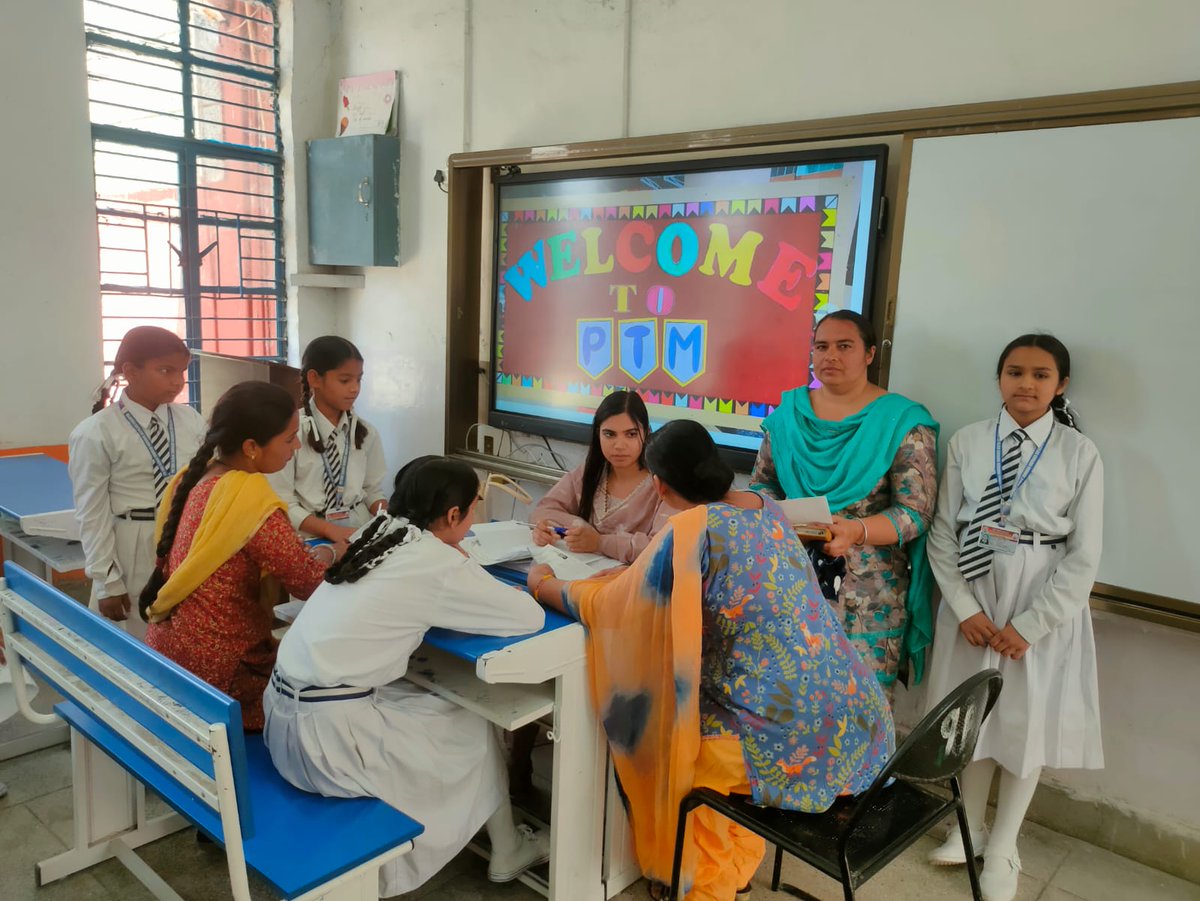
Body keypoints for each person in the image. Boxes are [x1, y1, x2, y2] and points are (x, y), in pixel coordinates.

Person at [527, 420, 894, 901]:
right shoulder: (769, 509)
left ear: (659, 485)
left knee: (679, 750)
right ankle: (735, 866)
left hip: (798, 741)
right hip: (863, 720)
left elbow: (618, 607)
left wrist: (545, 584)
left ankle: (705, 884)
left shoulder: (692, 528)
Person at [264, 456, 549, 897]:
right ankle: (507, 847)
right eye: (474, 508)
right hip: (330, 745)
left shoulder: (376, 531)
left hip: (286, 718)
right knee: (474, 721)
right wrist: (498, 574)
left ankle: (503, 840)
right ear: (454, 516)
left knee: (445, 706)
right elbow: (529, 616)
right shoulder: (435, 561)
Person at [923, 334, 1103, 901]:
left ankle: (1003, 846)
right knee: (972, 717)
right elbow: (944, 530)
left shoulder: (1080, 453)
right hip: (976, 592)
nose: (1026, 384)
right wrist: (965, 608)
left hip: (1039, 599)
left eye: (1040, 375)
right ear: (999, 378)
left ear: (1061, 385)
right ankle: (967, 826)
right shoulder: (971, 442)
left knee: (1025, 722)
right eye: (1014, 372)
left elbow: (1085, 555)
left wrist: (1031, 624)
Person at [750, 310, 939, 693]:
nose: (830, 356)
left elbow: (916, 513)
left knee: (858, 709)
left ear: (870, 354)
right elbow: (763, 484)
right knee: (788, 698)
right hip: (791, 577)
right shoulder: (788, 416)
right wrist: (776, 515)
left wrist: (857, 530)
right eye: (821, 346)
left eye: (844, 346)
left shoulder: (902, 421)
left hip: (869, 595)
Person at [141, 381, 340, 731]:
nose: (295, 447)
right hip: (222, 672)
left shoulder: (194, 478)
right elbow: (309, 582)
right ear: (251, 447)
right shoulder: (248, 499)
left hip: (172, 652)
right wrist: (331, 551)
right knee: (331, 691)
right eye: (289, 438)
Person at [68, 326, 207, 640]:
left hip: (185, 535)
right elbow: (93, 514)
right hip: (132, 542)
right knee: (134, 641)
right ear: (130, 371)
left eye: (182, 372)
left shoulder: (191, 420)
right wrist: (107, 582)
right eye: (165, 370)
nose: (177, 381)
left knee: (184, 635)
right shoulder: (96, 432)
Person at [268, 335, 388, 543]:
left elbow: (371, 489)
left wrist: (385, 518)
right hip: (307, 535)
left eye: (359, 379)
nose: (355, 388)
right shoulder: (291, 434)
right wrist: (329, 530)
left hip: (358, 531)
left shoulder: (366, 432)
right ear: (314, 379)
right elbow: (282, 502)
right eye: (345, 380)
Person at [531, 389, 668, 563]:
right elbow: (543, 511)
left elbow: (661, 549)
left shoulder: (664, 485)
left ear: (647, 433)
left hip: (630, 585)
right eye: (609, 434)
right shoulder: (590, 474)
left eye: (631, 434)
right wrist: (547, 528)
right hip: (580, 575)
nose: (619, 445)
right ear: (598, 433)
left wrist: (599, 542)